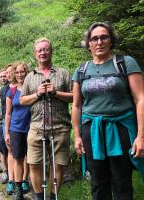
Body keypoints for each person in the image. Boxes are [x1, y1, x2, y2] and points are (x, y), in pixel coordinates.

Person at [72, 22, 144, 200]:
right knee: (98, 181)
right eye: (94, 38)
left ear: (111, 40)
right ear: (88, 43)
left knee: (122, 181)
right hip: (91, 131)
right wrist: (77, 135)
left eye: (104, 37)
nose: (99, 42)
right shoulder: (81, 70)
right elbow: (77, 105)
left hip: (120, 129)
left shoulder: (124, 63)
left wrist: (141, 136)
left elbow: (140, 99)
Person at [20, 37, 73, 200]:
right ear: (35, 54)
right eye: (39, 50)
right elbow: (22, 100)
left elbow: (74, 97)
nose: (43, 52)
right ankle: (39, 197)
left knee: (58, 165)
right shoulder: (29, 77)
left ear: (51, 51)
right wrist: (37, 94)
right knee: (34, 164)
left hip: (60, 126)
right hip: (36, 126)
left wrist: (55, 92)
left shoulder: (63, 73)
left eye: (45, 49)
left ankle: (53, 197)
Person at [5, 62, 31, 199]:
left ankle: (26, 180)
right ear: (14, 74)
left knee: (29, 157)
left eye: (23, 72)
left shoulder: (31, 89)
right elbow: (8, 113)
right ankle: (18, 188)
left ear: (27, 73)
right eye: (18, 72)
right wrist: (7, 132)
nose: (20, 74)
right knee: (17, 158)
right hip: (16, 128)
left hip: (31, 127)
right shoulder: (12, 91)